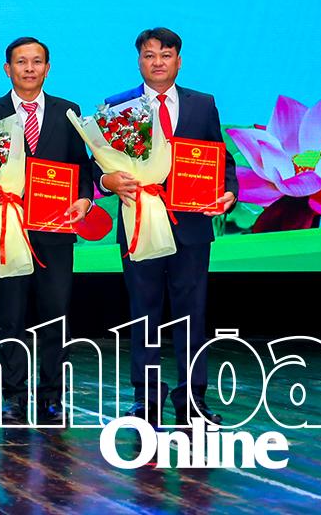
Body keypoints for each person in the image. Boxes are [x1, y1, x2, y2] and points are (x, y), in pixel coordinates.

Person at [100, 27, 237, 426]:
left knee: (191, 313)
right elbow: (98, 165)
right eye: (149, 55)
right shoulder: (118, 105)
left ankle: (192, 398)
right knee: (143, 311)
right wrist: (108, 181)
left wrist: (229, 192)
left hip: (191, 225)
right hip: (139, 220)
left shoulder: (202, 104)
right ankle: (145, 398)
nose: (157, 62)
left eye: (165, 55)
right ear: (138, 61)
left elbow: (221, 159)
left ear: (179, 61)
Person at [0, 37, 95, 424]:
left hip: (55, 230)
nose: (29, 68)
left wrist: (85, 199)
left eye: (37, 61)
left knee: (55, 314)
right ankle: (14, 397)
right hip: (8, 229)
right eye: (21, 62)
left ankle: (52, 397)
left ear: (47, 68)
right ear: (8, 69)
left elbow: (81, 166)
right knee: (10, 315)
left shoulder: (67, 110)